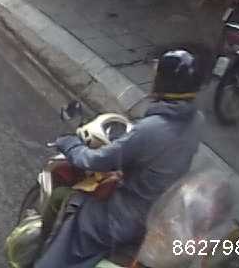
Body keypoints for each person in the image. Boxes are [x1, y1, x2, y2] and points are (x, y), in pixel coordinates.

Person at [34, 49, 203, 268]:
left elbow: (94, 161)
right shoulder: (197, 120)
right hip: (159, 210)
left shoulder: (150, 129)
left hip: (126, 216)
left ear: (164, 82)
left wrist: (70, 144)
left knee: (70, 208)